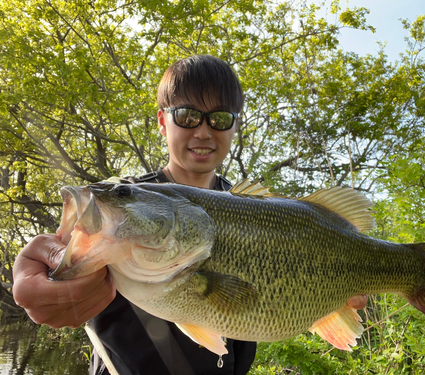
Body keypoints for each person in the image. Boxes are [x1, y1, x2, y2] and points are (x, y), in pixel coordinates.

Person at [12, 55, 368, 374]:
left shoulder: (256, 209)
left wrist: (328, 292)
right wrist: (39, 268)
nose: (203, 130)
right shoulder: (128, 197)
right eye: (186, 115)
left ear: (233, 127)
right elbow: (53, 252)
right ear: (163, 122)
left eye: (220, 118)